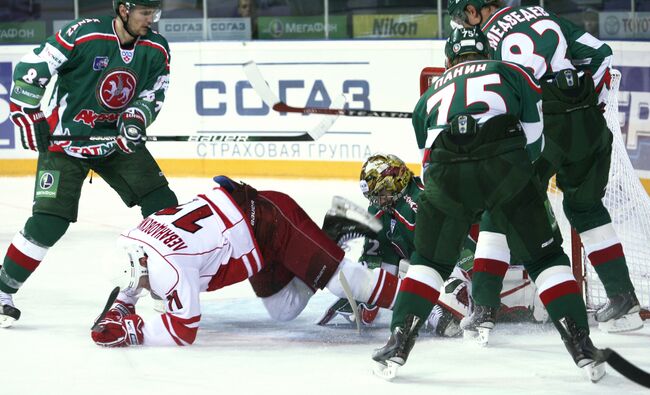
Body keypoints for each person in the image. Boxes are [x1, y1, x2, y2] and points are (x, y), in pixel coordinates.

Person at [372, 27, 604, 381]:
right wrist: (512, 179)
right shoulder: (512, 72)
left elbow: (428, 152)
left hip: (447, 174)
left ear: (448, 60)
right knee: (545, 258)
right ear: (488, 53)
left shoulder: (431, 92)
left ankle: (397, 344)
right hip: (506, 166)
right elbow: (535, 137)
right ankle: (581, 345)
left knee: (428, 262)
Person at [447, 0, 641, 334]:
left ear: (475, 9)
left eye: (462, 16)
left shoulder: (485, 39)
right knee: (586, 207)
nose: (462, 24)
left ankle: (484, 308)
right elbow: (601, 54)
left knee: (500, 203)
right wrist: (583, 103)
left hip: (544, 125)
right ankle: (625, 301)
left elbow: (496, 97)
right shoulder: (545, 15)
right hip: (588, 123)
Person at [0, 0, 178, 328]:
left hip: (114, 141)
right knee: (49, 222)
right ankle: (2, 291)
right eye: (143, 12)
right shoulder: (84, 34)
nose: (150, 19)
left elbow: (153, 92)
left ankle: (164, 284)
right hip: (65, 140)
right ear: (123, 10)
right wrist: (27, 112)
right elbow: (32, 67)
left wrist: (136, 120)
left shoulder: (156, 48)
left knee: (163, 206)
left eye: (153, 12)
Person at [90, 176, 402, 347]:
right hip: (250, 240)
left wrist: (134, 331)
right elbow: (132, 278)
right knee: (285, 309)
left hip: (271, 220)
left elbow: (183, 330)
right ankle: (329, 236)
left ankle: (422, 301)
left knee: (342, 282)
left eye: (143, 281)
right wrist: (121, 307)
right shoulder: (130, 241)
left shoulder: (170, 267)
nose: (145, 286)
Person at [318, 153, 546, 336]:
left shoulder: (421, 203)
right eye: (375, 196)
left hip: (473, 257)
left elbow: (459, 244)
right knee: (424, 289)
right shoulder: (381, 212)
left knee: (455, 301)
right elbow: (380, 261)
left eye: (382, 193)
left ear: (396, 182)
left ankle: (525, 292)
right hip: (435, 266)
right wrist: (365, 296)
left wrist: (474, 279)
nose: (378, 201)